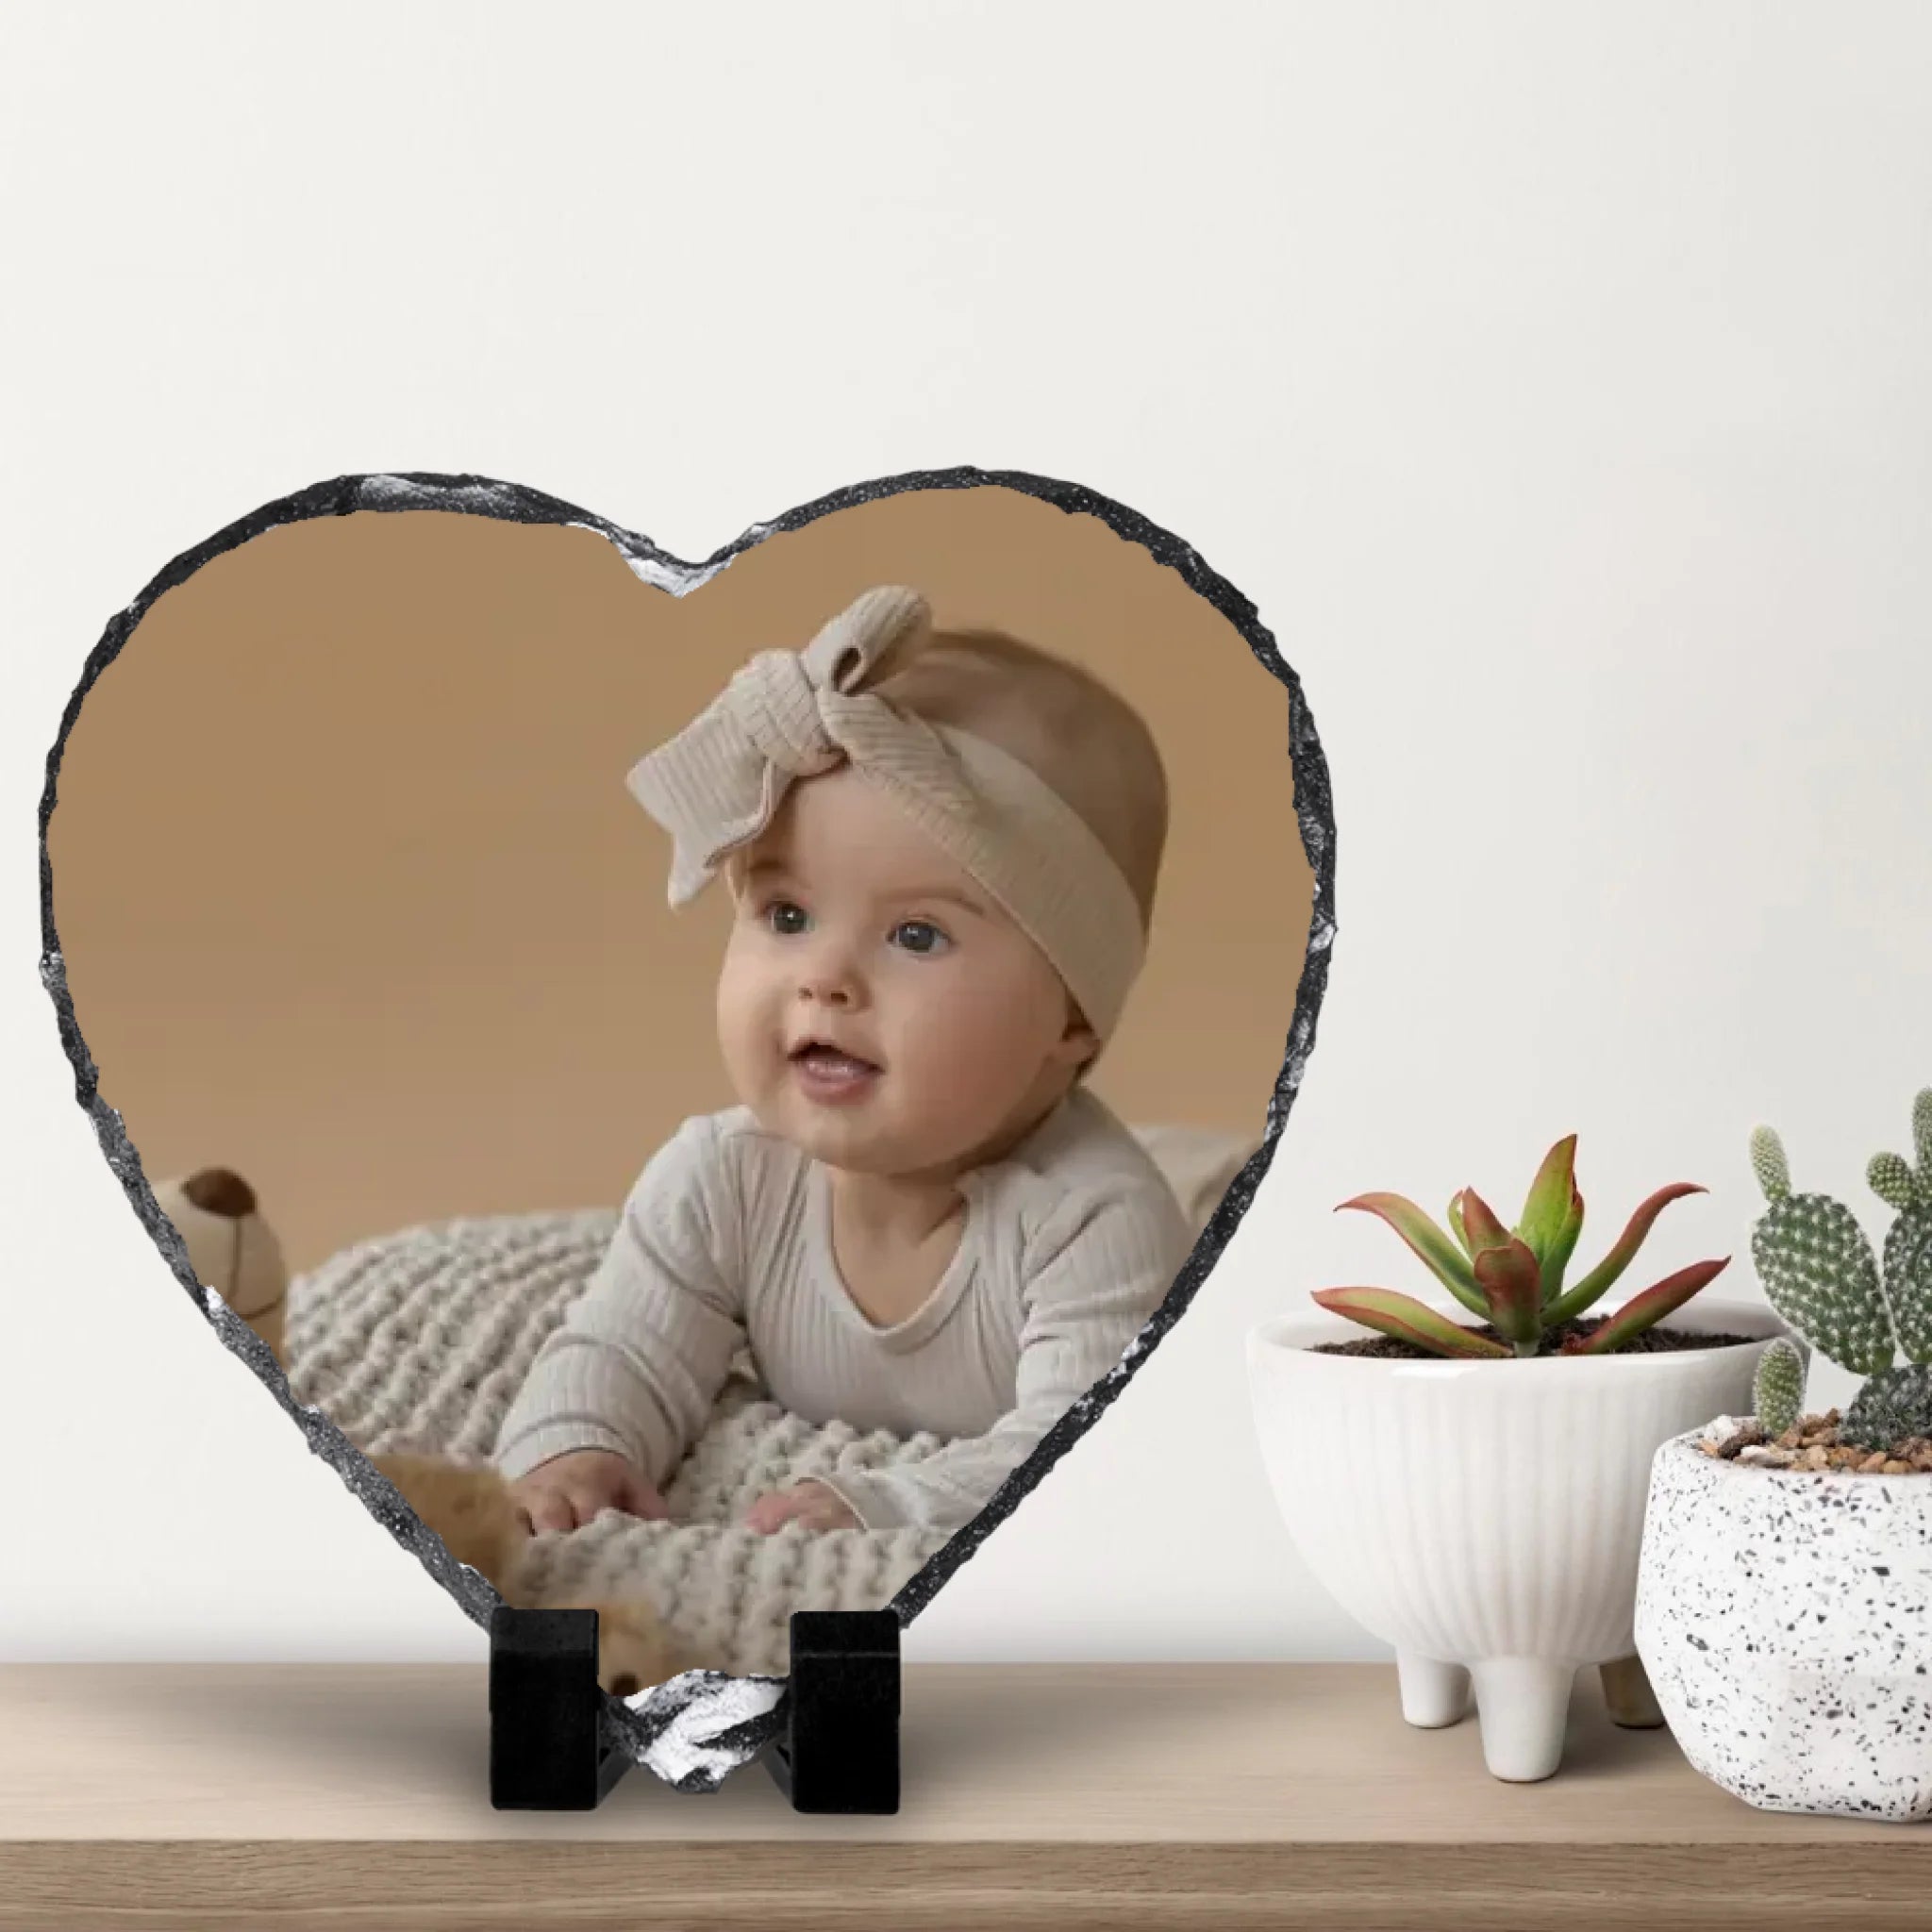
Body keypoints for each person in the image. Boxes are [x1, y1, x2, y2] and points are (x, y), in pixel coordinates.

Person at [495, 583, 1191, 1537]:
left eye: (914, 934)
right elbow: (621, 1347)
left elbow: (1083, 1447)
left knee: (1206, 1205)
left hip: (1147, 1211)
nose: (823, 978)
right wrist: (575, 1449)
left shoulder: (1089, 1222)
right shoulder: (723, 1178)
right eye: (786, 915)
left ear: (1070, 1016)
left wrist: (891, 1506)